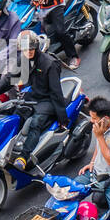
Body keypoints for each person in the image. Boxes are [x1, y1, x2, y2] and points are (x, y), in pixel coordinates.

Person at [13, 29, 70, 168]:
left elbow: (56, 93)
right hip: (31, 98)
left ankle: (24, 157)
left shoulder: (49, 63)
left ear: (36, 46)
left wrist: (63, 119)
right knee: (14, 116)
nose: (29, 52)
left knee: (35, 123)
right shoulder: (23, 60)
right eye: (26, 49)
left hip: (47, 101)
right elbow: (9, 78)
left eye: (31, 48)